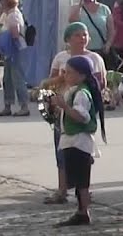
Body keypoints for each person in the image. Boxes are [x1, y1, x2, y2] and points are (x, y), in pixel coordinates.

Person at [46, 22, 107, 205]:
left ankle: (83, 191)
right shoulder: (61, 57)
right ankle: (62, 189)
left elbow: (99, 83)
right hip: (62, 105)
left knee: (81, 151)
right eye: (78, 35)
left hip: (81, 105)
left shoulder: (94, 58)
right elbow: (52, 82)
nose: (82, 38)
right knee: (62, 148)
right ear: (68, 39)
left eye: (85, 34)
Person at [50, 54, 107, 227]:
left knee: (82, 180)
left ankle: (83, 212)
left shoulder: (82, 93)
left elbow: (81, 117)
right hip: (71, 141)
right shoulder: (73, 90)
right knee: (77, 178)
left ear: (81, 75)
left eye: (69, 73)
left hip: (78, 142)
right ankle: (80, 210)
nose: (65, 76)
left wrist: (64, 106)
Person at [0, 0, 30, 117]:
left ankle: (23, 105)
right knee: (8, 79)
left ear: (6, 1)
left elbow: (15, 34)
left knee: (17, 78)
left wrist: (4, 38)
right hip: (12, 51)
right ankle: (8, 105)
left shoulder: (13, 15)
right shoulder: (9, 14)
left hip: (15, 50)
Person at [68, 0, 115, 73]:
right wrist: (80, 4)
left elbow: (111, 29)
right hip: (83, 49)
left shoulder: (104, 9)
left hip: (100, 49)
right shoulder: (77, 8)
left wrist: (108, 44)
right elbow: (72, 21)